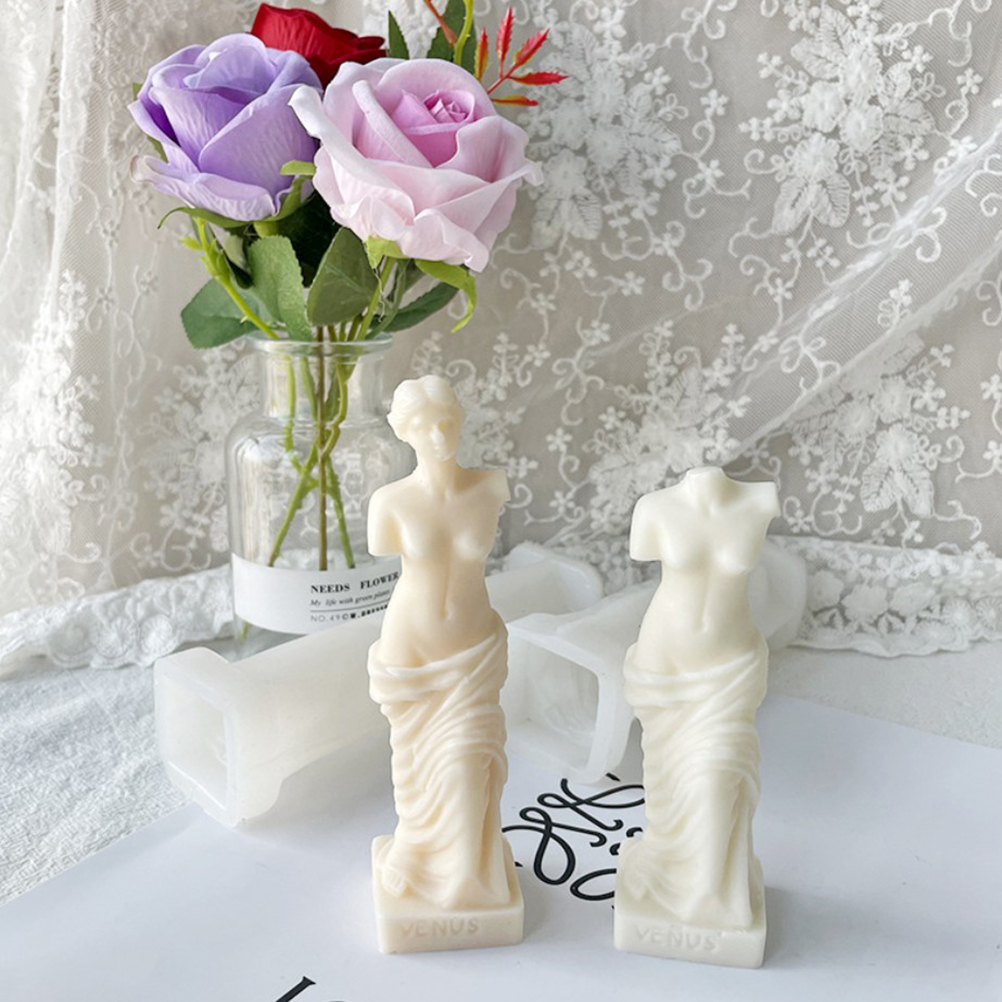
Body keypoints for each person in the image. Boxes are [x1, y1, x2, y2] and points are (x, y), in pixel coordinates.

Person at [367, 375, 513, 911]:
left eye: (447, 421)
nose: (438, 435)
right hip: (411, 650)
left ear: (461, 419)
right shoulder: (390, 503)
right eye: (424, 427)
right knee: (415, 767)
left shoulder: (490, 487)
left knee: (467, 760)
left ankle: (466, 875)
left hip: (472, 650)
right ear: (404, 432)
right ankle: (420, 853)